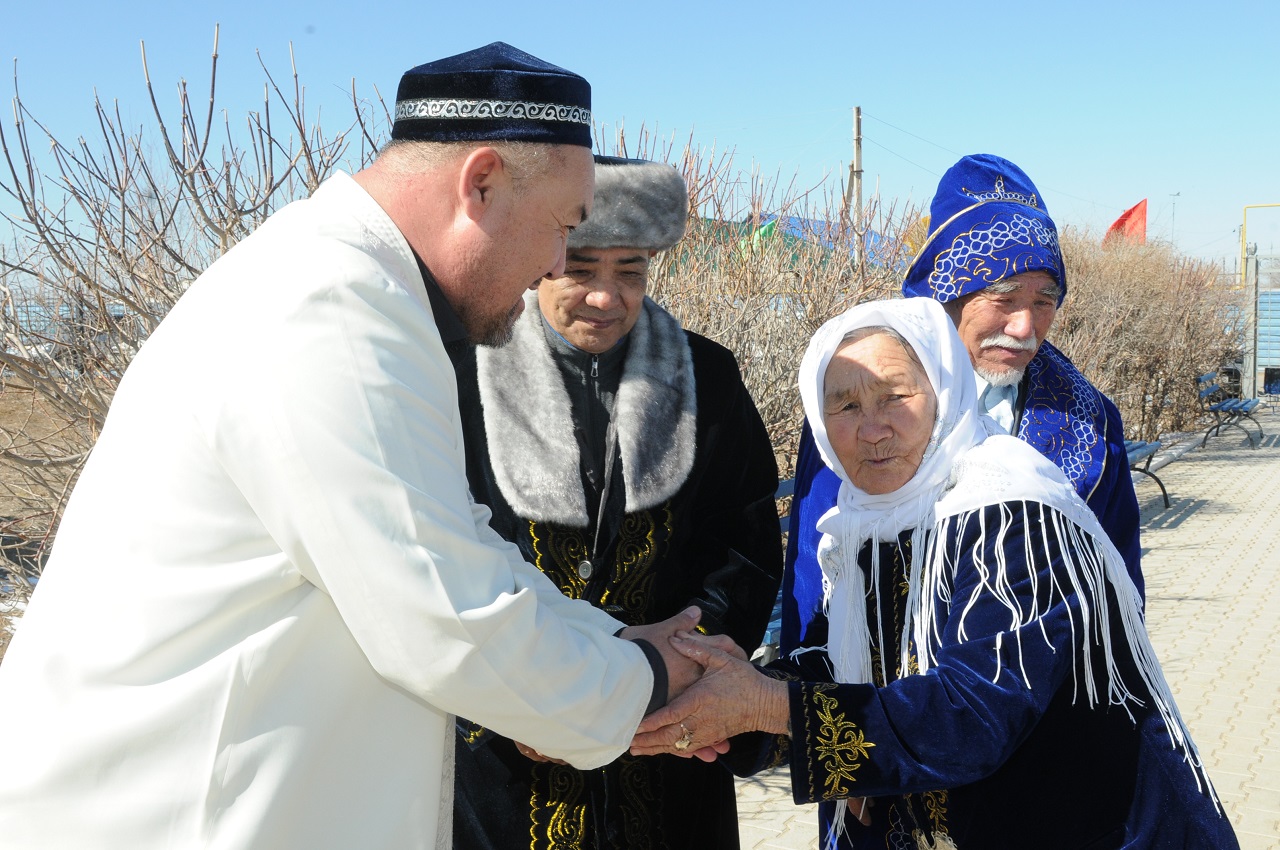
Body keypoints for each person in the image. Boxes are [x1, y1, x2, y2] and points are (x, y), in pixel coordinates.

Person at [0, 43, 703, 850]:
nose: (553, 263)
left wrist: (612, 643)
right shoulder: (328, 307)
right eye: (561, 228)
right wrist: (648, 682)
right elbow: (446, 617)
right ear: (480, 183)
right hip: (170, 813)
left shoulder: (367, 292)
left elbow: (457, 542)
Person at [632, 297, 1239, 850]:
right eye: (844, 404)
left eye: (895, 395)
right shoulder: (866, 524)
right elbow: (857, 666)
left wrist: (769, 707)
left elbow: (974, 714)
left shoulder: (1012, 515)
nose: (872, 428)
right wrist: (717, 695)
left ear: (944, 391)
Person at [450, 155, 783, 850]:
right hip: (507, 757)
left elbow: (742, 545)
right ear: (540, 259)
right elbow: (435, 559)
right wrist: (520, 701)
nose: (606, 296)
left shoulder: (706, 378)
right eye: (581, 268)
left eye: (629, 272)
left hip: (667, 742)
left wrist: (677, 673)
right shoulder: (463, 378)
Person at [784, 153, 1144, 664]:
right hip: (873, 702)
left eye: (1044, 300)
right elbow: (812, 571)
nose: (1025, 328)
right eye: (1003, 297)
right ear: (947, 293)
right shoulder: (855, 401)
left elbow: (1118, 589)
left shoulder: (1088, 423)